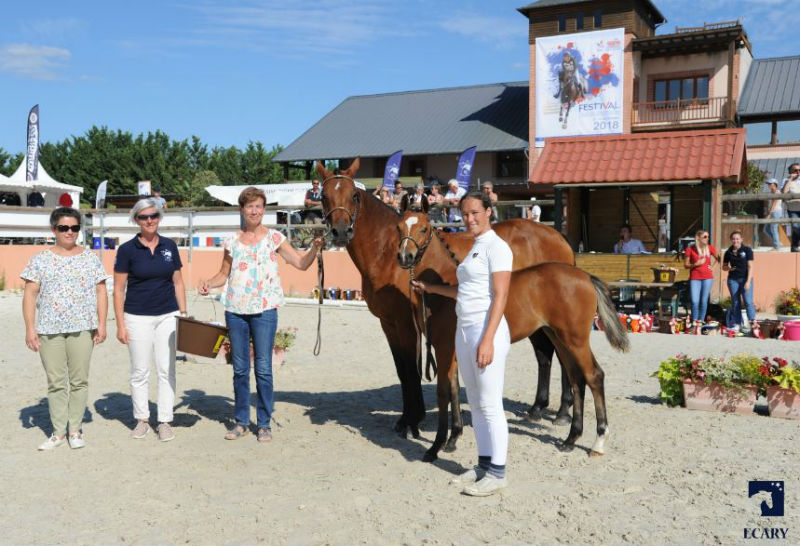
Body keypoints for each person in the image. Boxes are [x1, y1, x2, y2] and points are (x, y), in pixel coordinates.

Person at [199, 187, 323, 442]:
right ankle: (242, 421)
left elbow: (300, 263)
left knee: (264, 368)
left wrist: (315, 249)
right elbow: (223, 273)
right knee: (240, 370)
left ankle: (264, 423)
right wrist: (208, 284)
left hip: (265, 310)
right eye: (249, 206)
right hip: (235, 309)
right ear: (242, 210)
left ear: (264, 210)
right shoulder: (232, 241)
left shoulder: (275, 238)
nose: (254, 211)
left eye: (258, 206)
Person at [411, 191, 512, 497]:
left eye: (475, 213)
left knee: (491, 403)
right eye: (465, 214)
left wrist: (488, 339)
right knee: (477, 405)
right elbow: (467, 292)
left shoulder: (498, 247)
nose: (469, 219)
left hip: (485, 330)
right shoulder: (475, 247)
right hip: (465, 330)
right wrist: (432, 288)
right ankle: (483, 465)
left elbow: (500, 297)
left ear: (489, 212)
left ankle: (498, 472)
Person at [21, 207, 108, 450]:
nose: (70, 232)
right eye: (64, 228)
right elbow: (29, 295)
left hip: (83, 327)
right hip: (49, 328)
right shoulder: (40, 259)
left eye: (74, 228)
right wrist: (30, 329)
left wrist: (102, 324)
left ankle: (75, 429)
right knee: (56, 381)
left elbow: (101, 291)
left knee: (79, 380)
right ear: (54, 230)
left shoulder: (90, 257)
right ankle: (58, 433)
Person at [113, 198, 187, 442]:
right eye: (144, 217)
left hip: (168, 314)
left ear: (159, 217)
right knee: (140, 371)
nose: (150, 220)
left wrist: (183, 314)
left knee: (167, 369)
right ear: (136, 220)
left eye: (154, 215)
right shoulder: (126, 250)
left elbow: (177, 281)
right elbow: (118, 289)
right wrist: (121, 324)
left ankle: (164, 420)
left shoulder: (169, 246)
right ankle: (142, 419)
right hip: (136, 316)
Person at [683, 229, 720, 328]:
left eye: (708, 237)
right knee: (695, 301)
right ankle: (694, 320)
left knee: (704, 301)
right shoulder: (690, 249)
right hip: (695, 277)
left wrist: (712, 267)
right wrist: (695, 264)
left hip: (707, 277)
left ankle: (701, 320)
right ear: (698, 238)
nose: (707, 239)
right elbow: (685, 265)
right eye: (705, 237)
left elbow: (719, 258)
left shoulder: (709, 248)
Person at [722, 230, 756, 333]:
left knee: (748, 301)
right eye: (733, 239)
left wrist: (748, 282)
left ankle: (753, 323)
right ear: (731, 240)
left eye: (737, 238)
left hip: (745, 279)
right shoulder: (728, 252)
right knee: (736, 302)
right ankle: (737, 324)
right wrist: (727, 268)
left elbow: (751, 266)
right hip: (733, 280)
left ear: (741, 239)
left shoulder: (747, 250)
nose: (735, 240)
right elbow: (724, 266)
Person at [782, 163, 800, 252]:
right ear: (790, 172)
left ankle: (795, 246)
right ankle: (795, 247)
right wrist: (790, 179)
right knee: (796, 228)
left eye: (799, 170)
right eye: (795, 170)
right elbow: (784, 193)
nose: (798, 172)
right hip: (793, 209)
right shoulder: (786, 181)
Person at [762, 178, 783, 250]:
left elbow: (774, 204)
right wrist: (768, 212)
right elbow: (769, 204)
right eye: (768, 184)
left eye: (770, 184)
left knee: (773, 228)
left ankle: (776, 246)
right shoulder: (771, 193)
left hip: (776, 212)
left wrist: (769, 214)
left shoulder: (777, 192)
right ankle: (777, 242)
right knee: (766, 229)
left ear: (775, 184)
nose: (769, 185)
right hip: (772, 211)